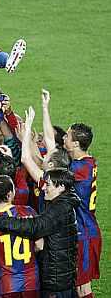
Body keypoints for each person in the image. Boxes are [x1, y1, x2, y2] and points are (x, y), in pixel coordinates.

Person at [0, 169, 80, 298]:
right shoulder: (62, 203)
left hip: (56, 282)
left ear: (61, 187)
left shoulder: (60, 208)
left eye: (48, 184)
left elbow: (35, 226)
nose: (44, 187)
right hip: (60, 277)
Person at [63, 124, 102, 298]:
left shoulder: (79, 168)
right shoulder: (87, 162)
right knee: (77, 286)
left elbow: (50, 174)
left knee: (82, 289)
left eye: (67, 136)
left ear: (76, 144)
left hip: (84, 234)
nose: (64, 137)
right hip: (87, 230)